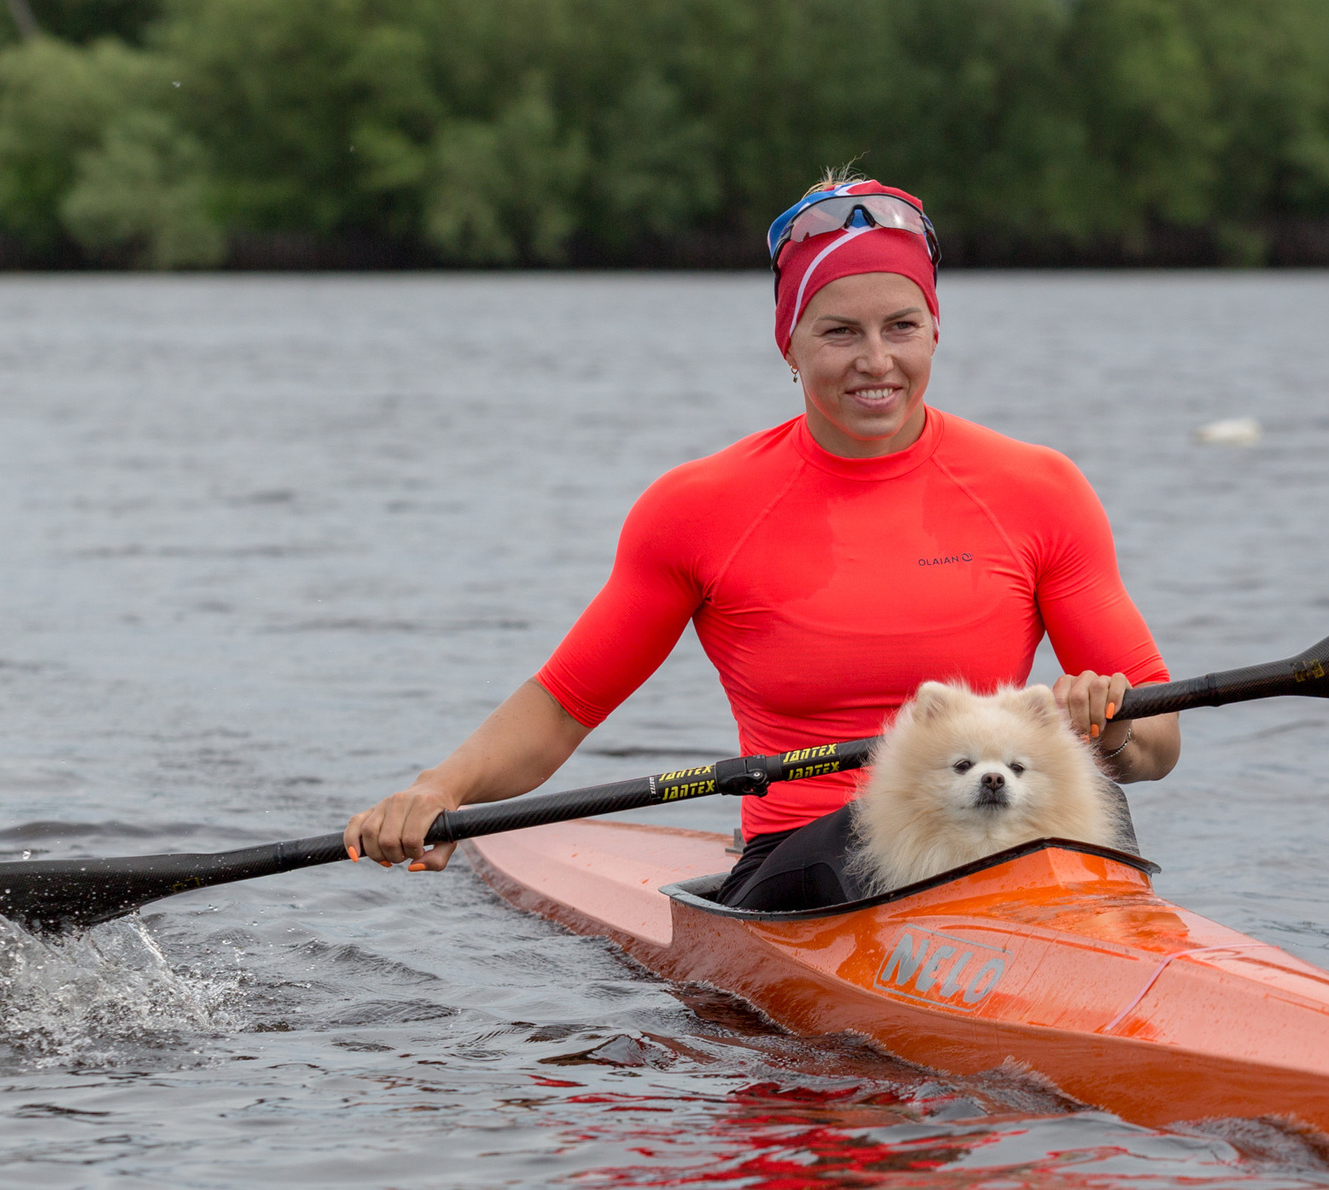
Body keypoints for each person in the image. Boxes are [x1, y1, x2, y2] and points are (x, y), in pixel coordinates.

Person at [346, 175, 1179, 910]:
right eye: (839, 333)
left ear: (935, 330)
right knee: (863, 833)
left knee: (1099, 808)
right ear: (788, 344)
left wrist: (1108, 729)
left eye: (901, 326)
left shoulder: (1039, 489)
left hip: (1016, 846)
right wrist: (439, 789)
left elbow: (1159, 744)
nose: (877, 361)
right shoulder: (700, 508)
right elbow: (564, 709)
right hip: (809, 867)